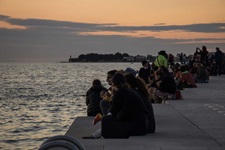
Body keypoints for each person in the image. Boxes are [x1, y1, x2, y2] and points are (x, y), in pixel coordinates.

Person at [101, 73, 149, 138]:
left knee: (105, 120)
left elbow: (113, 112)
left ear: (114, 84)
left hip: (136, 128)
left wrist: (112, 98)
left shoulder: (119, 93)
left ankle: (99, 135)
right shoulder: (129, 91)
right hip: (143, 126)